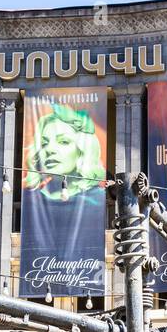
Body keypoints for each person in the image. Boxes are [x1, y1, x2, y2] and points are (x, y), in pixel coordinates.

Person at [20, 102, 107, 297]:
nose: (49, 150)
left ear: (83, 150)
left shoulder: (97, 200)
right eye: (44, 143)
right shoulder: (29, 200)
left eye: (63, 142)